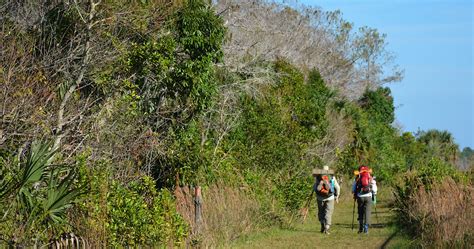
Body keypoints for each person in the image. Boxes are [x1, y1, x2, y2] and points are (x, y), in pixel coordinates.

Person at [313, 165, 340, 234]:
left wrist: (315, 191)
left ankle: (322, 225)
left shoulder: (318, 177)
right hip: (330, 197)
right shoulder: (332, 177)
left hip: (320, 197)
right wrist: (337, 196)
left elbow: (315, 187)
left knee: (321, 211)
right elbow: (337, 187)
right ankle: (327, 228)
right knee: (328, 212)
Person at [352, 165, 378, 234]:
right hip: (368, 196)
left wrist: (355, 194)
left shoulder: (358, 177)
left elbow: (353, 189)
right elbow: (374, 188)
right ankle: (366, 228)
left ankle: (360, 227)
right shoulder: (370, 177)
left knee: (360, 211)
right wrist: (374, 194)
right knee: (367, 212)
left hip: (360, 197)